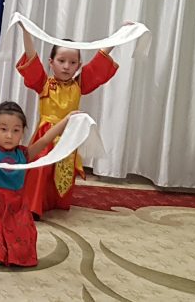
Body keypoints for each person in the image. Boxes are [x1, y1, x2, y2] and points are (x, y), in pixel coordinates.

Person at [15, 22, 121, 217]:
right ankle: (33, 205)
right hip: (46, 134)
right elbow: (31, 58)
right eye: (61, 60)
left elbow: (99, 61)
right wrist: (26, 31)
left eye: (72, 63)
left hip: (68, 135)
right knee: (40, 169)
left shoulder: (79, 85)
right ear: (51, 62)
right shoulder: (44, 84)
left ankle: (53, 202)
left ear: (79, 66)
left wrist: (120, 35)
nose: (66, 66)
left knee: (62, 170)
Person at [0, 101, 79, 266]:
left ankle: (14, 255)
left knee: (22, 237)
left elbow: (46, 139)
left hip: (17, 206)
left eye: (16, 130)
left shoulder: (24, 155)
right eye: (3, 129)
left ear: (22, 132)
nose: (9, 136)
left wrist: (67, 119)